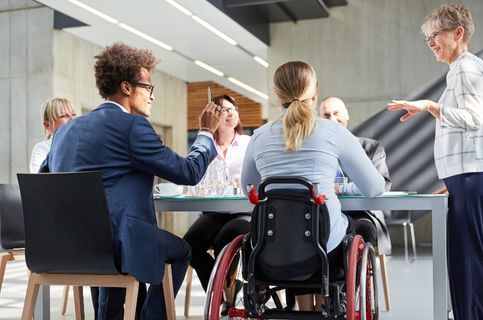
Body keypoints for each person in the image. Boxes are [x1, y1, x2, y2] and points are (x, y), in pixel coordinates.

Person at [40, 42, 223, 320]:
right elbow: (188, 172)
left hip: (70, 247)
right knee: (182, 251)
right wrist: (207, 133)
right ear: (127, 87)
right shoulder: (132, 127)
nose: (152, 97)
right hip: (119, 245)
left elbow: (45, 182)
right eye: (148, 88)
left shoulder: (64, 133)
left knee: (114, 246)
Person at [241, 61, 386, 311]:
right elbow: (374, 187)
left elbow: (249, 190)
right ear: (315, 94)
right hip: (324, 251)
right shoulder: (333, 132)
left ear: (278, 97)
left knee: (297, 230)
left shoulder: (259, 137)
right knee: (359, 227)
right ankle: (327, 304)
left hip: (271, 248)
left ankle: (307, 308)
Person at [387, 4, 483, 320]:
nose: (431, 43)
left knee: (469, 257)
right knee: (462, 256)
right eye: (428, 39)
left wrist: (429, 107)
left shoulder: (465, 67)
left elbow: (472, 119)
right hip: (463, 176)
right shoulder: (463, 69)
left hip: (471, 176)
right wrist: (450, 180)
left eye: (435, 35)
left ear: (457, 32)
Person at [183, 94, 251, 291]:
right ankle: (218, 292)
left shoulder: (248, 143)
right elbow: (195, 179)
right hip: (213, 212)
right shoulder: (205, 145)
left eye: (233, 109)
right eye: (223, 110)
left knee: (224, 241)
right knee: (188, 248)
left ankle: (227, 293)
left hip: (243, 212)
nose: (230, 113)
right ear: (213, 116)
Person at [319, 96, 392, 255]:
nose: (332, 119)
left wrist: (340, 188)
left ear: (346, 114)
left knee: (362, 229)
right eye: (326, 115)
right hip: (326, 214)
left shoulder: (371, 148)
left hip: (362, 214)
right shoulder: (318, 152)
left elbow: (383, 185)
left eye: (336, 113)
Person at [29, 98, 76, 173]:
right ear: (48, 125)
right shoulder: (41, 149)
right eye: (64, 116)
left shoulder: (82, 144)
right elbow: (39, 181)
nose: (72, 119)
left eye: (74, 114)